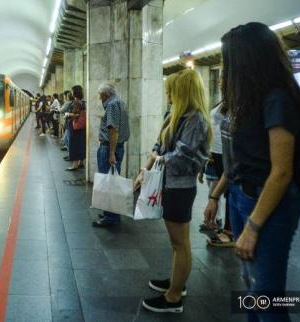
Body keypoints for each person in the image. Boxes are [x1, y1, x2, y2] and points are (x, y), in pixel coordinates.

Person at [204, 22, 300, 322]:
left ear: (247, 60)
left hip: (267, 204)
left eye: (228, 60)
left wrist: (253, 227)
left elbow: (281, 172)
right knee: (251, 287)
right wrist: (215, 196)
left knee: (267, 295)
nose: (225, 68)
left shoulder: (277, 99)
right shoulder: (246, 100)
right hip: (240, 195)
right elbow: (239, 161)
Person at [134, 69, 211, 313]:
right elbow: (159, 144)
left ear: (183, 92)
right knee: (176, 242)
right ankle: (177, 281)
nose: (167, 95)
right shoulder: (176, 115)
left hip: (181, 187)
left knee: (181, 243)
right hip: (170, 184)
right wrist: (145, 170)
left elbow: (182, 156)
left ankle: (174, 297)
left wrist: (159, 158)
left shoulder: (196, 120)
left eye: (171, 91)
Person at [92, 83, 130, 228]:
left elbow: (113, 130)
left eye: (99, 94)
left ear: (105, 95)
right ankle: (110, 213)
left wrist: (112, 153)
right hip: (115, 147)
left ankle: (111, 217)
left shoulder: (112, 105)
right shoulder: (119, 102)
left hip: (109, 148)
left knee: (109, 183)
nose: (99, 97)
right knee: (111, 181)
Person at [200, 101, 234, 247]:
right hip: (216, 152)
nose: (220, 81)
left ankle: (228, 229)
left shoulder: (234, 102)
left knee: (230, 193)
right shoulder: (222, 102)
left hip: (225, 153)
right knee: (214, 187)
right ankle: (219, 221)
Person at [66, 85, 86, 171]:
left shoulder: (76, 102)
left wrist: (68, 114)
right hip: (82, 126)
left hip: (75, 126)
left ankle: (74, 165)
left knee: (74, 145)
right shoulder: (83, 102)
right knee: (81, 144)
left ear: (75, 93)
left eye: (72, 91)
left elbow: (75, 114)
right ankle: (81, 162)